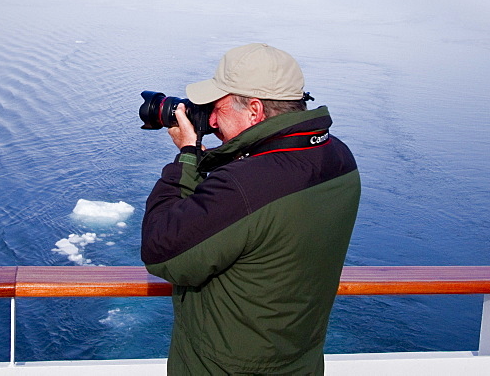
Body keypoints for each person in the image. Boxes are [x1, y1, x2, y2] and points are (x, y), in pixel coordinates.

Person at [141, 43, 361, 375]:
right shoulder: (338, 158)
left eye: (219, 107)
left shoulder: (243, 187)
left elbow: (162, 251)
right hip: (300, 362)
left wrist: (188, 154)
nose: (212, 119)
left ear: (255, 110)